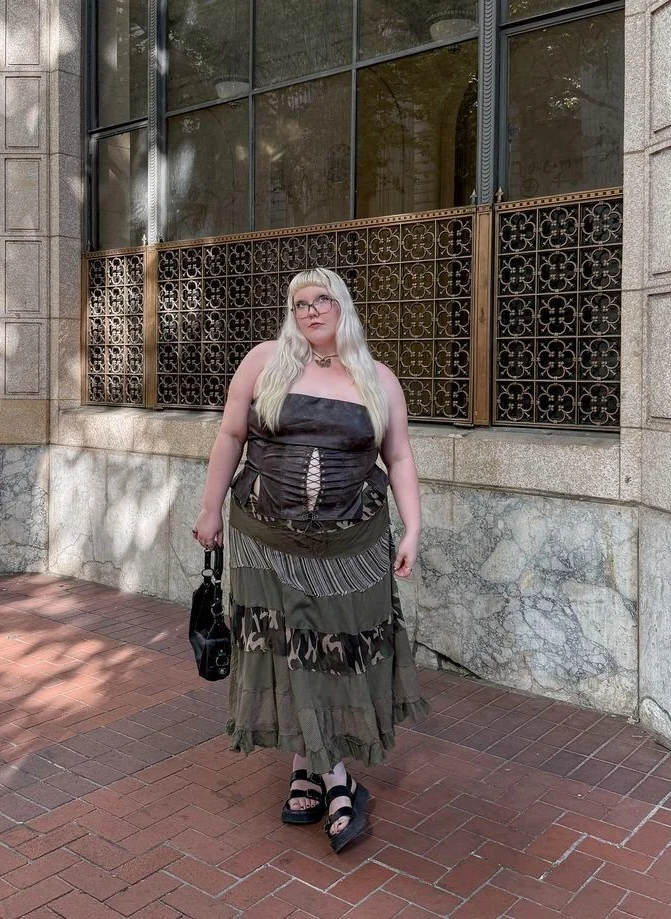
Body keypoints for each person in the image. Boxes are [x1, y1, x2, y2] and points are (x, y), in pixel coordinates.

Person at [192, 267, 428, 853]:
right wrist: (210, 508)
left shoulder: (378, 379)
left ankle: (308, 767)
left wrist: (414, 527)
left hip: (353, 546)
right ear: (291, 313)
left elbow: (398, 458)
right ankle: (337, 780)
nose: (312, 311)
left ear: (342, 305)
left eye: (323, 300)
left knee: (335, 650)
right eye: (300, 303)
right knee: (292, 647)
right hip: (265, 537)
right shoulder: (264, 361)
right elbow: (229, 436)